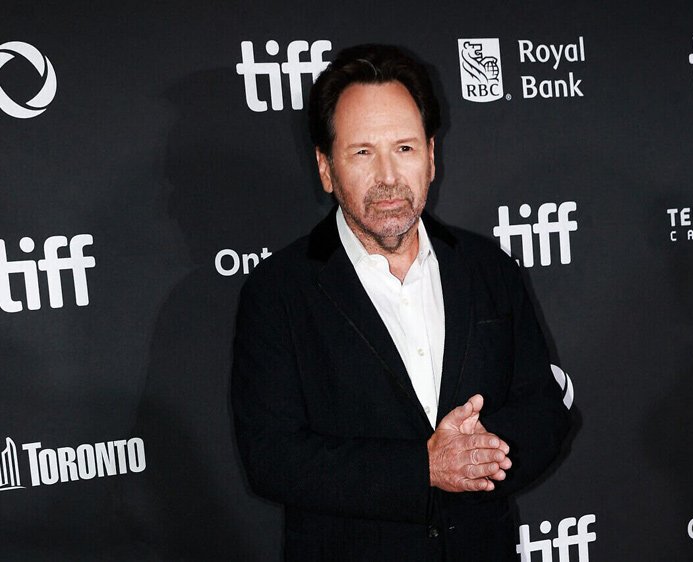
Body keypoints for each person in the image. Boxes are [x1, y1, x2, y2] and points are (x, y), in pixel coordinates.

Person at [231, 44, 571, 561]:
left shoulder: (488, 267)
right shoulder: (278, 291)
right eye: (362, 152)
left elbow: (544, 409)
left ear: (431, 157)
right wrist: (424, 469)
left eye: (405, 148)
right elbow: (272, 457)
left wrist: (478, 459)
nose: (388, 177)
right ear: (326, 168)